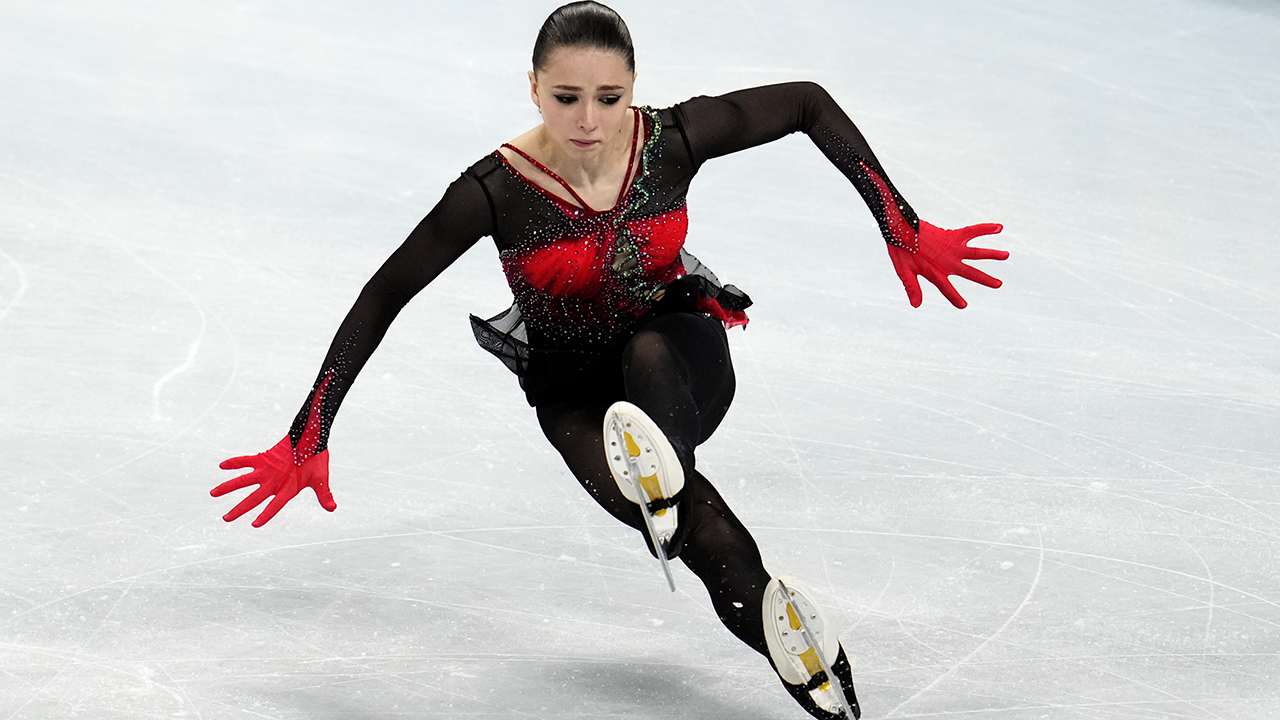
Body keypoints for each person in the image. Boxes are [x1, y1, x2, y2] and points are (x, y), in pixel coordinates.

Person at [211, 3, 1008, 718]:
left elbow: (805, 101)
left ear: (633, 87)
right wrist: (309, 429)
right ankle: (807, 665)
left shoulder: (673, 141)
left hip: (679, 358)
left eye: (608, 97)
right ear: (532, 87)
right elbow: (384, 293)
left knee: (652, 351)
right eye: (566, 98)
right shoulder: (495, 192)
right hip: (574, 395)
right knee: (704, 543)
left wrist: (898, 223)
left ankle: (662, 469)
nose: (588, 119)